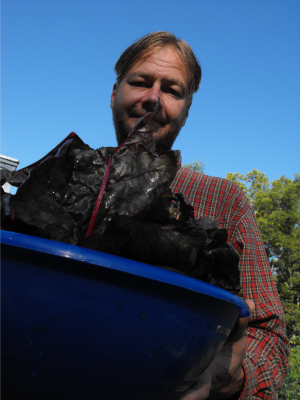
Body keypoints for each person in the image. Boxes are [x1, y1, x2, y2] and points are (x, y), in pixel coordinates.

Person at [110, 31, 290, 399]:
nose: (153, 99)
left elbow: (270, 337)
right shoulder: (61, 182)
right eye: (140, 82)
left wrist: (233, 377)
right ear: (114, 94)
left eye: (173, 90)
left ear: (187, 112)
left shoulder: (223, 201)